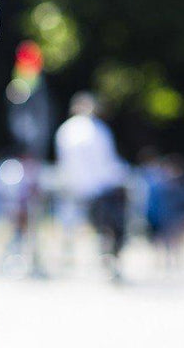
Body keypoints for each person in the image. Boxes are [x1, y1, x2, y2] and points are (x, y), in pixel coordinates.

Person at [54, 91, 130, 282]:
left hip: (72, 185)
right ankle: (108, 261)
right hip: (99, 188)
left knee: (70, 226)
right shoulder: (98, 130)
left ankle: (68, 261)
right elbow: (106, 162)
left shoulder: (65, 130)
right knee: (107, 229)